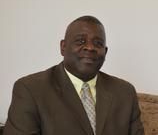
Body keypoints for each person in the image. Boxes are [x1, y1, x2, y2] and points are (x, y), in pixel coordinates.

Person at [3, 16, 144, 135]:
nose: (90, 47)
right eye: (81, 41)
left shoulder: (125, 92)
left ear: (105, 52)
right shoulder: (30, 89)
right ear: (63, 47)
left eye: (98, 43)